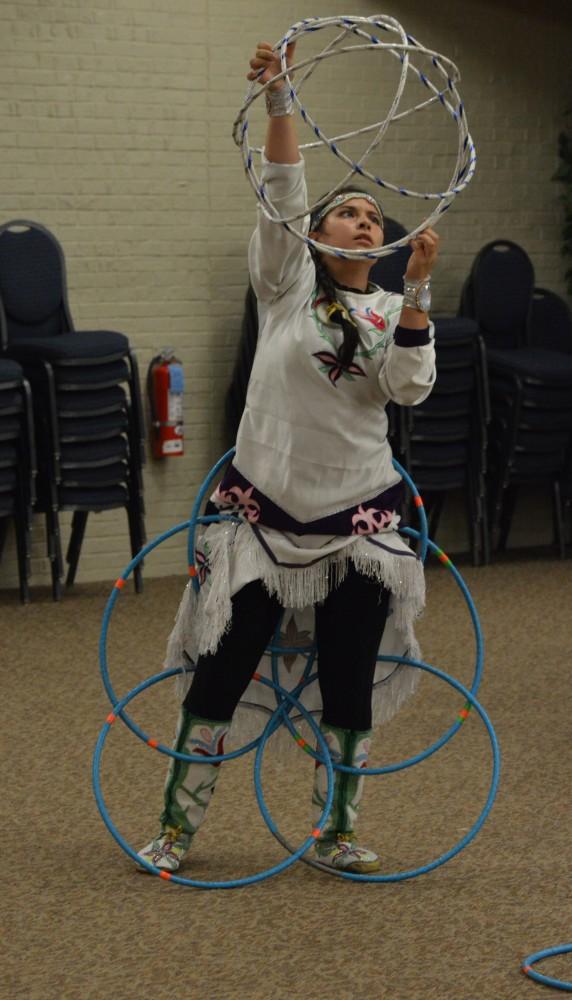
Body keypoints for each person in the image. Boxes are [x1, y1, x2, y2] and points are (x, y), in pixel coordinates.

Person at [138, 40, 439, 876]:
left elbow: (410, 387)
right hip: (260, 518)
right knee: (221, 674)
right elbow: (283, 191)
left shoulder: (391, 309)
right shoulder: (285, 285)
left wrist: (415, 291)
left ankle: (336, 833)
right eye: (349, 212)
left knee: (348, 681)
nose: (365, 221)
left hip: (359, 520)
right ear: (313, 234)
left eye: (376, 218)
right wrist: (279, 99)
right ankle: (175, 830)